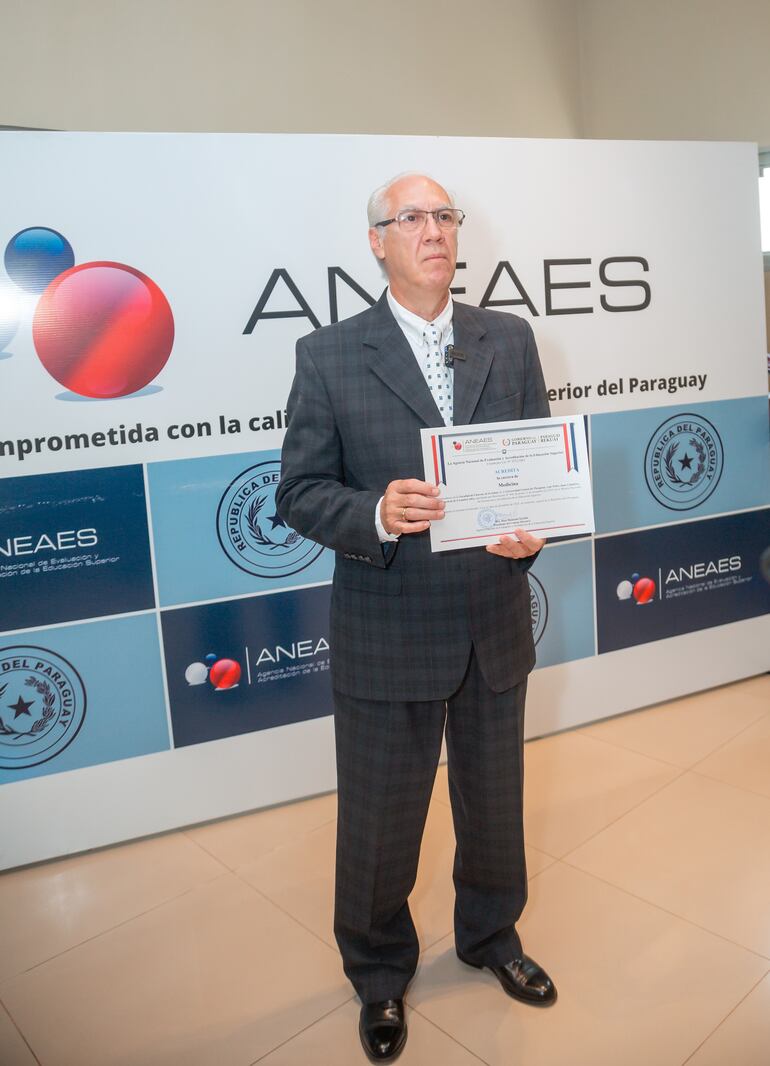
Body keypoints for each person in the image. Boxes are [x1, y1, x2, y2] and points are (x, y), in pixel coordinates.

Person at [276, 172, 556, 1063]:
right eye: (412, 218)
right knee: (379, 822)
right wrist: (373, 513)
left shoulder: (506, 340)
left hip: (492, 621)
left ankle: (491, 939)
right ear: (377, 243)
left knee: (496, 808)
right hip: (387, 628)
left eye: (444, 215)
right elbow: (299, 493)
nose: (432, 229)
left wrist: (531, 536)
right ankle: (380, 973)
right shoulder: (328, 354)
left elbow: (536, 468)